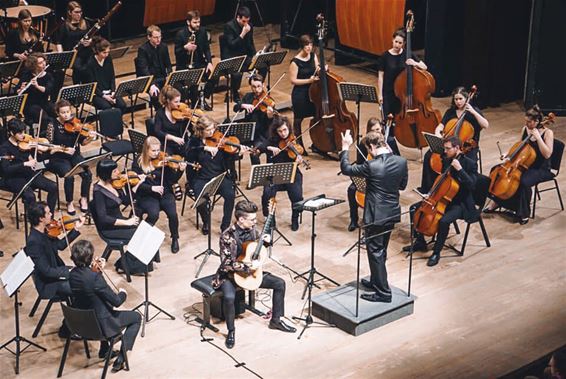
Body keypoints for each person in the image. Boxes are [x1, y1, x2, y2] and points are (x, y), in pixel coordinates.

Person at [212, 200, 296, 349]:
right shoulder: (227, 236)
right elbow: (226, 263)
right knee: (230, 298)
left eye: (255, 219)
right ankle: (231, 331)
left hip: (251, 272)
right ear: (241, 219)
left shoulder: (252, 229)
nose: (255, 222)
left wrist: (266, 242)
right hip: (230, 275)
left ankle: (276, 320)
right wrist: (246, 267)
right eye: (252, 220)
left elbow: (255, 248)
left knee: (280, 283)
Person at [340, 129, 408, 302]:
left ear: (371, 146)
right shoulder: (401, 161)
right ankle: (376, 280)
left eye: (368, 150)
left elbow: (346, 168)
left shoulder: (372, 165)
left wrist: (345, 147)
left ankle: (383, 292)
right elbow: (402, 186)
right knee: (381, 249)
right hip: (392, 212)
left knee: (375, 251)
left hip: (375, 215)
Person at [404, 136, 479, 267]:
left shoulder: (469, 163)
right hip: (442, 198)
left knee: (443, 221)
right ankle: (420, 241)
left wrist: (460, 170)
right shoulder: (446, 159)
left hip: (460, 203)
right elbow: (441, 181)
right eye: (444, 148)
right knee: (413, 209)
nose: (445, 151)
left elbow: (472, 185)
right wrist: (430, 195)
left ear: (457, 148)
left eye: (448, 149)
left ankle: (436, 253)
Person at [69, 239, 141, 373]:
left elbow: (91, 290)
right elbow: (116, 301)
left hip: (82, 322)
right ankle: (122, 357)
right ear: (90, 257)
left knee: (97, 306)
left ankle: (104, 350)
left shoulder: (72, 274)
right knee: (136, 317)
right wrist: (122, 292)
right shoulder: (94, 278)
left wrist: (96, 272)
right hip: (101, 326)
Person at [485, 106, 554, 225]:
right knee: (496, 170)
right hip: (523, 164)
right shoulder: (525, 129)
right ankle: (497, 201)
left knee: (523, 181)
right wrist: (507, 154)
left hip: (540, 168)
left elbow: (547, 154)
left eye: (529, 121)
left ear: (537, 121)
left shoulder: (548, 133)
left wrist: (538, 138)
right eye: (525, 121)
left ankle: (523, 213)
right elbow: (519, 146)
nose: (526, 123)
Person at [25, 201, 84, 337]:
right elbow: (46, 271)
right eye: (48, 212)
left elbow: (61, 245)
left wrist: (75, 229)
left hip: (56, 272)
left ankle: (72, 325)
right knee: (82, 288)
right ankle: (68, 329)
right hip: (48, 283)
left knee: (84, 276)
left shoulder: (45, 231)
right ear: (40, 218)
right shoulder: (34, 241)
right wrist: (67, 272)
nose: (51, 214)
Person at [185, 115, 250, 234]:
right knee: (200, 200)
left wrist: (239, 153)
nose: (212, 132)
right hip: (201, 177)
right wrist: (204, 148)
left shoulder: (220, 139)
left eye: (213, 129)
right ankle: (206, 221)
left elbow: (230, 157)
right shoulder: (194, 141)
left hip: (220, 176)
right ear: (200, 130)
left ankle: (225, 225)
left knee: (230, 195)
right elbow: (188, 152)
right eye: (208, 130)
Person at [419, 86, 489, 193]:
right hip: (450, 145)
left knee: (468, 163)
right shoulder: (450, 112)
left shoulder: (473, 111)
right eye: (456, 99)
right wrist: (438, 133)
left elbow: (486, 125)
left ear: (466, 98)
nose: (458, 102)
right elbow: (440, 126)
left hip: (467, 148)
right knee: (429, 155)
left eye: (460, 99)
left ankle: (466, 191)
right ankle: (428, 188)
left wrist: (474, 112)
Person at [91, 159, 149, 274]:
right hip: (109, 228)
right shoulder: (98, 192)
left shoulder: (114, 184)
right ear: (106, 173)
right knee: (141, 234)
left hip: (120, 222)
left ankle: (132, 264)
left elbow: (126, 201)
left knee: (146, 229)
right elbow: (103, 218)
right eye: (114, 171)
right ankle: (125, 265)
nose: (118, 172)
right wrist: (128, 222)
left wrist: (138, 184)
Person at [132, 136, 185, 253]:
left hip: (165, 192)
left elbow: (172, 180)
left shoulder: (165, 160)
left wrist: (180, 170)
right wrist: (152, 188)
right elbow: (135, 183)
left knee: (172, 214)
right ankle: (141, 236)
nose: (157, 153)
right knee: (153, 214)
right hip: (147, 194)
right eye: (153, 151)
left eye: (158, 150)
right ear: (146, 150)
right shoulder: (138, 162)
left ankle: (175, 238)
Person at [346, 117, 400, 232]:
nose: (378, 132)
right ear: (369, 131)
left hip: (385, 176)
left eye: (379, 129)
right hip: (368, 175)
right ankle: (354, 220)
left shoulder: (389, 141)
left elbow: (397, 159)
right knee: (351, 189)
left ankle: (387, 218)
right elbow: (360, 164)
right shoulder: (364, 144)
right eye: (374, 130)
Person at [46, 99, 95, 215]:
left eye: (68, 112)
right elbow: (48, 146)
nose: (66, 115)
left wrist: (90, 138)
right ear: (57, 113)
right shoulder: (52, 125)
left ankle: (83, 198)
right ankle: (69, 202)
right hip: (58, 158)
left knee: (87, 174)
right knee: (69, 176)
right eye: (63, 112)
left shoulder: (75, 123)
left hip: (74, 155)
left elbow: (82, 142)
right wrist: (63, 149)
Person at [0, 118, 58, 212]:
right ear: (11, 133)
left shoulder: (25, 143)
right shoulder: (4, 148)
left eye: (23, 132)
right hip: (14, 178)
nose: (23, 135)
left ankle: (49, 217)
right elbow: (6, 169)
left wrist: (33, 156)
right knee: (30, 196)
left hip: (29, 173)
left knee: (53, 187)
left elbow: (30, 156)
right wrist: (25, 163)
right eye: (20, 133)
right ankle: (34, 221)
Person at [261, 115, 304, 231]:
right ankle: (271, 220)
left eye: (285, 130)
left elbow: (298, 151)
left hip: (292, 172)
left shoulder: (293, 139)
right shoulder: (272, 140)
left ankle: (295, 218)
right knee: (267, 194)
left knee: (297, 196)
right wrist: (269, 148)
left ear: (289, 128)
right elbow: (260, 147)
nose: (283, 134)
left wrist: (298, 160)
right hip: (274, 174)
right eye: (280, 131)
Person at [377, 27, 427, 118]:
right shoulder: (385, 56)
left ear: (404, 44)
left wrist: (414, 63)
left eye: (400, 43)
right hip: (388, 93)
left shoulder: (407, 54)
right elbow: (381, 76)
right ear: (392, 40)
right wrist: (380, 95)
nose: (397, 45)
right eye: (396, 41)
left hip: (402, 94)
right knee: (387, 119)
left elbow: (424, 67)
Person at [174, 10, 214, 109]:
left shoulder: (203, 31)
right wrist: (185, 48)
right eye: (195, 22)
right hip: (184, 65)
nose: (197, 24)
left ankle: (203, 97)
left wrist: (209, 62)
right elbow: (176, 53)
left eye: (198, 22)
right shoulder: (180, 34)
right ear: (188, 22)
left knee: (214, 76)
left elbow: (206, 49)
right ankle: (194, 102)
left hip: (199, 63)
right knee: (193, 81)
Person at [222, 6, 262, 103]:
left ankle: (258, 90)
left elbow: (250, 43)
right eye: (243, 21)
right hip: (232, 58)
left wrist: (255, 56)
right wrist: (242, 34)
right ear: (238, 18)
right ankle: (235, 93)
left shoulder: (249, 26)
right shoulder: (229, 26)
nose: (246, 24)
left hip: (244, 57)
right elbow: (231, 45)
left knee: (263, 65)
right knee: (237, 74)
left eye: (247, 21)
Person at [233, 74, 273, 164]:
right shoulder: (248, 97)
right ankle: (257, 175)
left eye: (259, 86)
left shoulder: (268, 100)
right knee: (254, 153)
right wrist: (243, 105)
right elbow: (235, 108)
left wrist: (270, 116)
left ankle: (270, 176)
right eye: (253, 87)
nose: (256, 89)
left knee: (270, 152)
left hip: (265, 133)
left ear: (263, 85)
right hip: (252, 133)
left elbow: (272, 122)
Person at [289, 34, 319, 151]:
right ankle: (299, 145)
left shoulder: (313, 56)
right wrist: (309, 80)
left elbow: (317, 69)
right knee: (298, 120)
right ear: (302, 46)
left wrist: (322, 69)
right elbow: (293, 81)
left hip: (313, 93)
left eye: (311, 45)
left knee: (317, 117)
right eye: (307, 45)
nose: (309, 47)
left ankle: (317, 144)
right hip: (300, 94)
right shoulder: (295, 62)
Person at [83, 37, 127, 113]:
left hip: (110, 91)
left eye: (108, 52)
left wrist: (113, 92)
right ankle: (109, 124)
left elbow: (112, 77)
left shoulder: (108, 58)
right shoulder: (90, 63)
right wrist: (104, 96)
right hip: (97, 94)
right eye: (104, 52)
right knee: (107, 107)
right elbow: (92, 84)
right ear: (97, 51)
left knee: (122, 105)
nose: (106, 55)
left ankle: (117, 123)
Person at [54, 1, 92, 85]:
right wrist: (62, 56)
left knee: (91, 68)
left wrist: (89, 42)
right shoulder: (65, 26)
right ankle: (78, 88)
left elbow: (91, 37)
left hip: (87, 52)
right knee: (79, 68)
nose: (79, 14)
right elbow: (59, 42)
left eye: (80, 12)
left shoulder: (85, 23)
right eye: (76, 12)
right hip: (74, 55)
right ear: (69, 12)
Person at [16, 52, 56, 130]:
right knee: (44, 118)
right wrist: (20, 89)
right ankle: (44, 135)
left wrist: (37, 86)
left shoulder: (48, 75)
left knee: (56, 111)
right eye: (40, 63)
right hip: (30, 104)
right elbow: (17, 90)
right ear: (34, 66)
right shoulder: (27, 75)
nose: (44, 64)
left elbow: (49, 90)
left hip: (44, 102)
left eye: (44, 61)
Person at [136, 24, 172, 110]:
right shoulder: (143, 49)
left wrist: (169, 76)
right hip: (150, 79)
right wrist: (151, 85)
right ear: (149, 37)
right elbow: (144, 69)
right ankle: (161, 114)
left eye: (160, 36)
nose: (158, 39)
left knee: (177, 90)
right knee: (156, 95)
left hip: (162, 77)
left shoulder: (163, 47)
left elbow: (168, 64)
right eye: (156, 37)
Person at [152, 85, 188, 156]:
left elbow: (188, 128)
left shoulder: (181, 112)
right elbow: (157, 131)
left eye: (179, 101)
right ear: (168, 101)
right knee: (167, 159)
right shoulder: (160, 114)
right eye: (176, 102)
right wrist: (173, 138)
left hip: (181, 143)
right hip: (167, 144)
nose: (179, 104)